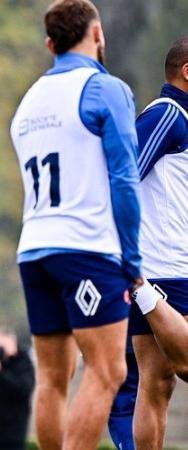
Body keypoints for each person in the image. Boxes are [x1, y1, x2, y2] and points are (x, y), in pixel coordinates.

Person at [10, 1, 143, 448]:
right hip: (86, 248)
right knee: (109, 371)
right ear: (98, 32)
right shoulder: (106, 89)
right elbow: (125, 179)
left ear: (50, 45)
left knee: (53, 377)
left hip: (34, 250)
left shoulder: (26, 103)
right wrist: (134, 258)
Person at [127, 36, 188, 450]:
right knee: (173, 372)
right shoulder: (167, 114)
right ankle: (142, 291)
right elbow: (124, 174)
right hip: (165, 266)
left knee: (157, 383)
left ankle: (140, 289)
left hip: (169, 265)